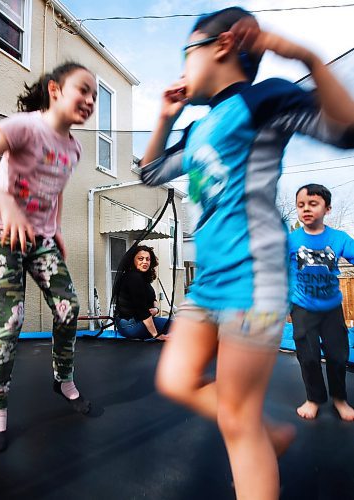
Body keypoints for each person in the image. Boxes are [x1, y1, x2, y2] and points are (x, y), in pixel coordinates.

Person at [139, 6, 354, 500]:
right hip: (210, 281)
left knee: (237, 420)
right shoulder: (196, 131)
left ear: (219, 47)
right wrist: (165, 116)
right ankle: (266, 434)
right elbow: (150, 172)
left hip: (255, 276)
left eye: (185, 52)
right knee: (174, 379)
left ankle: (252, 437)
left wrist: (303, 54)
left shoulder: (264, 101)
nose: (181, 66)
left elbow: (345, 130)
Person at [0, 62, 97, 453]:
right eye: (84, 90)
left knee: (68, 307)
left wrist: (55, 227)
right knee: (12, 317)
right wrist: (5, 203)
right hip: (0, 232)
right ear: (56, 90)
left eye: (95, 95)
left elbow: (53, 189)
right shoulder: (23, 126)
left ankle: (62, 377)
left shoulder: (72, 148)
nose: (91, 100)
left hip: (39, 238)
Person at [289, 184, 354, 421]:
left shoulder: (339, 238)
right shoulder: (291, 240)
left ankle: (339, 398)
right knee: (308, 356)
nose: (306, 209)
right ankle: (314, 398)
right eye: (301, 204)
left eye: (313, 204)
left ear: (327, 208)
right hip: (302, 307)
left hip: (330, 308)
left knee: (338, 355)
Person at [112, 245, 170, 340]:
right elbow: (142, 310)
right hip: (130, 325)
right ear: (133, 260)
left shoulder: (142, 277)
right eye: (141, 259)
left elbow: (153, 299)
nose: (145, 262)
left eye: (148, 259)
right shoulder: (134, 278)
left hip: (133, 323)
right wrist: (156, 335)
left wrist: (156, 309)